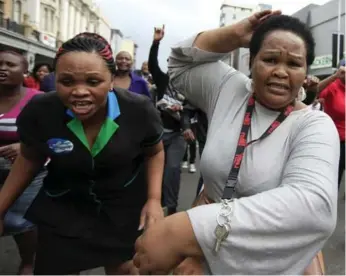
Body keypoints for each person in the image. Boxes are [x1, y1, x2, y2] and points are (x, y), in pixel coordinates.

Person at [133, 11, 339, 275]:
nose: (280, 72)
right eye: (270, 59)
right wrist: (234, 35)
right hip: (201, 246)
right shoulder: (230, 89)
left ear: (305, 72)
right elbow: (179, 64)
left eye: (294, 64)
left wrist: (186, 230)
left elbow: (314, 206)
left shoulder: (314, 126)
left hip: (270, 257)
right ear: (251, 60)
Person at [0, 33, 165, 274]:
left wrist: (154, 200)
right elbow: (29, 158)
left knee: (127, 269)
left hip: (122, 210)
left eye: (93, 81)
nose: (79, 91)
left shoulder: (138, 110)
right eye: (67, 82)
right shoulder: (42, 111)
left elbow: (154, 152)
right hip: (63, 208)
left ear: (111, 80)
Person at [0, 50, 46, 275]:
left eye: (10, 65)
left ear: (25, 71)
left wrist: (24, 145)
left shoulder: (37, 100)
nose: (3, 68)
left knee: (19, 222)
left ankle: (28, 262)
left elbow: (54, 134)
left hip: (27, 171)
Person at [148, 25, 186, 215]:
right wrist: (156, 42)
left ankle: (171, 207)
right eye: (171, 63)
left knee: (172, 169)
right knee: (156, 169)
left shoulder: (190, 84)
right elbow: (152, 65)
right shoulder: (162, 80)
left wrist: (183, 110)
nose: (174, 67)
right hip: (160, 132)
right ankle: (155, 202)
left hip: (178, 134)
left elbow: (196, 108)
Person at [317, 62, 345, 188]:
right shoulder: (333, 86)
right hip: (336, 141)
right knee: (334, 180)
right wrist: (334, 76)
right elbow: (315, 92)